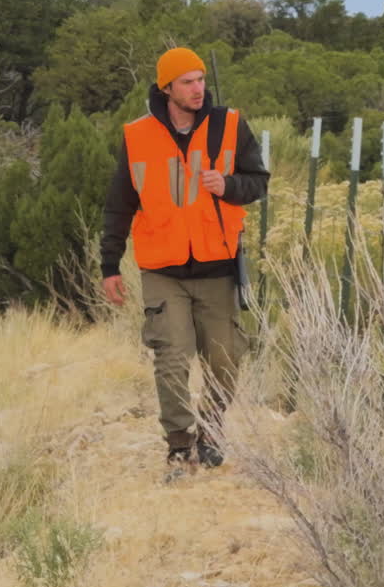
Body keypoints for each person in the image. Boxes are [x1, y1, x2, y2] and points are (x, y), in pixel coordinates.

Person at [101, 47, 269, 470]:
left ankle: (211, 429)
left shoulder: (229, 126)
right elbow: (119, 204)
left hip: (219, 266)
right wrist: (109, 266)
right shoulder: (137, 135)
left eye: (200, 79)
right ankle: (179, 444)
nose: (198, 89)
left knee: (225, 360)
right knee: (171, 357)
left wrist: (227, 185)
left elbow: (258, 183)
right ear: (167, 88)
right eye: (187, 82)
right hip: (163, 269)